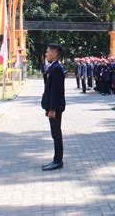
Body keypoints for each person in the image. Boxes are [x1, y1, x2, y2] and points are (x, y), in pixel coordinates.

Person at [41, 43, 66, 171]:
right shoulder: (53, 67)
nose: (46, 54)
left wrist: (52, 109)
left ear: (54, 53)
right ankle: (57, 159)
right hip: (53, 106)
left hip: (55, 107)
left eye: (47, 52)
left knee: (56, 134)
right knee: (55, 133)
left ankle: (58, 161)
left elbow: (56, 92)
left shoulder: (56, 69)